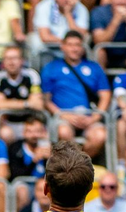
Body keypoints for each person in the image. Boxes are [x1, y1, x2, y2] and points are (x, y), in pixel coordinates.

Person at [41, 32, 109, 160]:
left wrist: (94, 117)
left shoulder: (94, 68)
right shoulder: (51, 68)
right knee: (64, 132)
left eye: (78, 45)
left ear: (83, 47)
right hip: (63, 116)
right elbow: (46, 100)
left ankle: (80, 164)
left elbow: (105, 95)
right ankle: (76, 167)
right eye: (70, 45)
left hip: (89, 115)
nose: (74, 48)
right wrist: (64, 115)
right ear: (63, 46)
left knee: (100, 135)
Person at [0, 47, 45, 144]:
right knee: (5, 133)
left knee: (44, 135)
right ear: (3, 62)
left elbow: (37, 103)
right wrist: (27, 104)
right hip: (8, 122)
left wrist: (9, 103)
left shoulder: (32, 75)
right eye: (7, 59)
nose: (11, 62)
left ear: (22, 60)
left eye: (15, 58)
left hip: (30, 122)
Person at [29, 0, 89, 67]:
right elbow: (45, 36)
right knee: (35, 41)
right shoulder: (44, 6)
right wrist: (66, 43)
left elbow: (80, 37)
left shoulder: (81, 9)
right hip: (49, 48)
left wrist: (68, 14)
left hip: (72, 49)